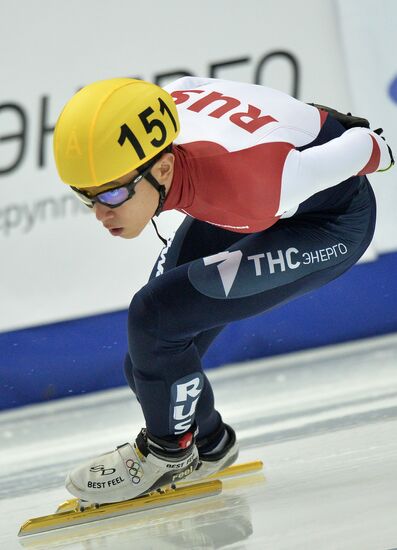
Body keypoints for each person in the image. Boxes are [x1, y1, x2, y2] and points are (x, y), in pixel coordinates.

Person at [53, 76, 394, 503]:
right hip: (256, 190)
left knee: (155, 317)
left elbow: (367, 146)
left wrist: (364, 144)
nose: (101, 213)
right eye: (86, 197)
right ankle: (209, 444)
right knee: (150, 357)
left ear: (161, 169)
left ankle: (168, 456)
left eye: (113, 193)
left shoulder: (251, 185)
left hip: (327, 224)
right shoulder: (168, 130)